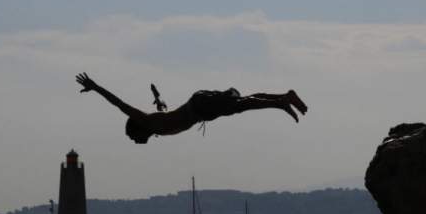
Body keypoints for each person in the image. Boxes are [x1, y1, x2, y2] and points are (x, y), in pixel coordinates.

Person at [75, 73, 307, 144]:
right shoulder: (157, 124)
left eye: (133, 137)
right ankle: (284, 97)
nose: (135, 141)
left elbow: (118, 103)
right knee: (244, 102)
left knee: (243, 105)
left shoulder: (146, 121)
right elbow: (164, 107)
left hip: (200, 107)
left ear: (137, 127)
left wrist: (95, 87)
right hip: (200, 106)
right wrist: (157, 97)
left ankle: (280, 103)